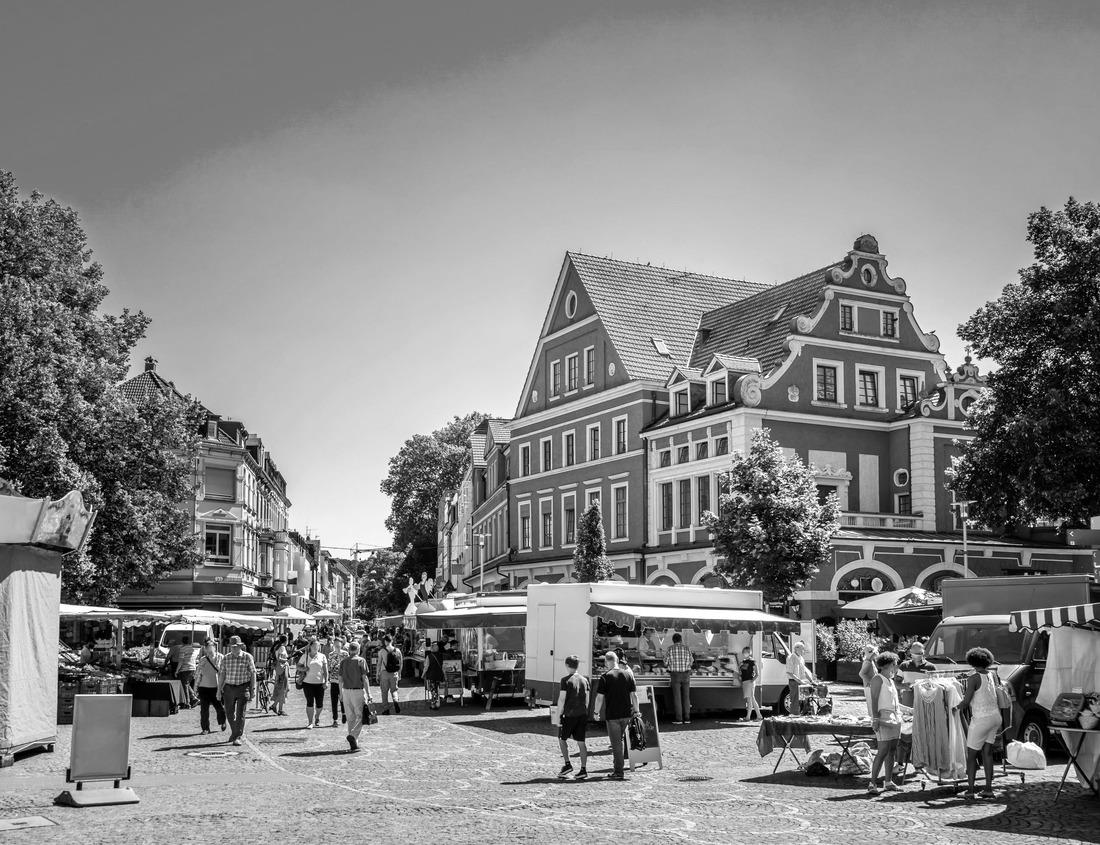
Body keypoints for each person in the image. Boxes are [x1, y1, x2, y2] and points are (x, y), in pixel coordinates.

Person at [959, 646, 1002, 799]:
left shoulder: (973, 678)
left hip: (981, 719)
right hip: (995, 717)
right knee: (987, 752)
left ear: (972, 661)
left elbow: (966, 702)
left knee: (971, 755)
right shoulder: (991, 675)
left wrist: (953, 707)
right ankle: (988, 789)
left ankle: (970, 791)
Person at [867, 651, 910, 795]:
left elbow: (894, 703)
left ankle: (888, 781)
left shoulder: (890, 681)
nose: (896, 666)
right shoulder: (877, 679)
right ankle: (872, 783)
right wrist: (875, 719)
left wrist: (909, 710)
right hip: (883, 718)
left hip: (895, 719)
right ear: (889, 664)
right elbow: (874, 700)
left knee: (892, 750)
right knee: (883, 751)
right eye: (895, 664)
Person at [593, 651, 639, 780]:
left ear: (606, 662)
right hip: (626, 714)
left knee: (616, 744)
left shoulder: (605, 677)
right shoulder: (628, 674)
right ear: (617, 661)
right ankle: (619, 768)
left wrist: (596, 712)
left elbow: (599, 698)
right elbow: (634, 696)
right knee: (622, 740)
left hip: (612, 715)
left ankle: (618, 771)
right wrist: (637, 711)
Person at [555, 654, 590, 780]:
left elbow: (562, 699)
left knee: (562, 739)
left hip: (569, 714)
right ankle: (583, 769)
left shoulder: (565, 680)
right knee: (581, 742)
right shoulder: (585, 680)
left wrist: (558, 715)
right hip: (582, 714)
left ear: (567, 665)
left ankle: (567, 764)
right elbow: (587, 700)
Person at [217, 636, 256, 746]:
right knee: (229, 712)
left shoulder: (247, 657)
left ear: (240, 646)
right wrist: (219, 690)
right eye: (232, 646)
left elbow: (253, 673)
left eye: (236, 646)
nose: (234, 648)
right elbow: (222, 675)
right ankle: (235, 732)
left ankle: (237, 736)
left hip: (243, 687)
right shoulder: (226, 658)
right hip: (229, 688)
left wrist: (253, 689)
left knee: (240, 713)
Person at [339, 641, 369, 752]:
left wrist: (341, 694)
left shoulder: (343, 662)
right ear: (358, 650)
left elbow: (340, 679)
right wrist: (369, 693)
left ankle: (354, 744)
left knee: (350, 718)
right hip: (357, 691)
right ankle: (353, 735)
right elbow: (364, 678)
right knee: (360, 716)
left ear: (349, 650)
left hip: (346, 691)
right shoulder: (361, 661)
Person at [195, 638, 226, 734]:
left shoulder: (221, 657)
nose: (208, 649)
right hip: (203, 687)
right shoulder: (203, 659)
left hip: (216, 687)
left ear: (214, 647)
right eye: (206, 648)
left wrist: (223, 686)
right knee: (204, 710)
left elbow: (224, 672)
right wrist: (196, 687)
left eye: (209, 647)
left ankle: (222, 721)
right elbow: (198, 674)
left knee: (219, 707)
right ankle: (205, 728)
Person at [297, 638, 329, 729]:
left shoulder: (322, 656)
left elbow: (325, 670)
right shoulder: (305, 656)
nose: (316, 647)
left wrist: (326, 681)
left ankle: (317, 716)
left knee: (319, 704)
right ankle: (310, 722)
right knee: (309, 702)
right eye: (314, 646)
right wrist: (303, 669)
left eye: (318, 646)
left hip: (320, 683)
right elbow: (298, 666)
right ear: (310, 646)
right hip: (307, 683)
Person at [664, 632, 694, 725]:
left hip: (675, 675)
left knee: (677, 697)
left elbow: (665, 663)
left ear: (673, 640)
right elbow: (691, 661)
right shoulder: (687, 648)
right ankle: (687, 718)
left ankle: (679, 719)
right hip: (686, 674)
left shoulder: (670, 649)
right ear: (681, 640)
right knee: (686, 696)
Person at [785, 641, 816, 716]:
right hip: (794, 682)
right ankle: (793, 715)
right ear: (796, 648)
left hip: (801, 682)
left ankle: (801, 714)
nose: (803, 651)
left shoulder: (801, 658)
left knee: (803, 700)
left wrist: (811, 680)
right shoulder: (791, 657)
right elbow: (789, 672)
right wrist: (799, 681)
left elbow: (804, 671)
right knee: (795, 700)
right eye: (802, 649)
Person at [377, 635, 403, 715]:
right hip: (394, 673)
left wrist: (377, 674)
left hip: (384, 673)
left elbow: (379, 663)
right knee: (394, 690)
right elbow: (401, 663)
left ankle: (386, 709)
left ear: (385, 641)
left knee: (384, 692)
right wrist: (399, 673)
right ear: (392, 641)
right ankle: (395, 701)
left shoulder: (382, 651)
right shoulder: (397, 650)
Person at [326, 635, 348, 726]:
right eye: (335, 645)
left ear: (341, 644)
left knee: (343, 699)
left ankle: (344, 713)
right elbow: (329, 667)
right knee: (334, 701)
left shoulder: (345, 654)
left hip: (343, 681)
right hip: (334, 680)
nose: (337, 647)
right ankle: (335, 719)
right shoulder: (331, 655)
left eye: (338, 645)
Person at [175, 635, 201, 708]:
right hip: (193, 668)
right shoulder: (192, 649)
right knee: (187, 684)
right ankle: (194, 698)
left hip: (185, 669)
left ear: (182, 641)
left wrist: (177, 670)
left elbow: (181, 661)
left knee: (185, 685)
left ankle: (187, 703)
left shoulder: (182, 649)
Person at [739, 646, 762, 722]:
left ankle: (759, 716)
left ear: (749, 653)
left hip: (749, 682)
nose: (744, 653)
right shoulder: (743, 661)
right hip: (745, 682)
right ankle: (748, 717)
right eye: (744, 652)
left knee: (752, 699)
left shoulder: (753, 661)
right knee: (749, 700)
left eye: (746, 652)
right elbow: (741, 672)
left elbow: (757, 673)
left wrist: (752, 680)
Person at [424, 641, 445, 709]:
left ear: (432, 648)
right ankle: (435, 703)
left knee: (433, 690)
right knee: (436, 689)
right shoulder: (441, 655)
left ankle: (435, 704)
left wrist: (423, 674)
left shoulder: (429, 656)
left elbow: (426, 667)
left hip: (431, 675)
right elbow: (443, 666)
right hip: (439, 675)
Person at [270, 646, 289, 716]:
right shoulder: (281, 647)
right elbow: (279, 658)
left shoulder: (278, 647)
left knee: (282, 691)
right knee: (282, 691)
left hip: (280, 671)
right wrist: (286, 660)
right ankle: (275, 706)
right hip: (282, 672)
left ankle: (280, 709)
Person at [859, 644, 879, 710]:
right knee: (872, 706)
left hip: (871, 687)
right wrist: (871, 682)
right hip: (869, 687)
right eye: (874, 653)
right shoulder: (868, 662)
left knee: (875, 705)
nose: (876, 654)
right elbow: (861, 674)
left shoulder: (871, 661)